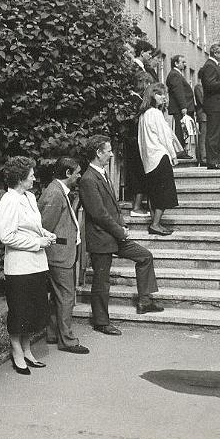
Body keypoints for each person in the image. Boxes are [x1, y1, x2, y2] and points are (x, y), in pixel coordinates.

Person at [79, 136, 163, 336]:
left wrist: (122, 226)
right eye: (108, 151)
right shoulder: (88, 179)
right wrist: (120, 230)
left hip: (115, 235)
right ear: (98, 153)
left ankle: (144, 301)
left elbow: (112, 208)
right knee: (101, 281)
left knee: (144, 256)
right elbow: (98, 214)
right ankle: (101, 322)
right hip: (102, 238)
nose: (111, 153)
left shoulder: (102, 174)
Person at [0, 156, 57, 373]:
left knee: (33, 311)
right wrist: (36, 243)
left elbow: (34, 225)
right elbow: (6, 235)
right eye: (30, 174)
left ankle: (27, 348)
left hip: (36, 264)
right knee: (20, 312)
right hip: (19, 267)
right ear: (21, 178)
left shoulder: (30, 197)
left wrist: (45, 234)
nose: (34, 177)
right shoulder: (9, 200)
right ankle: (16, 351)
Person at [38, 157, 90, 355]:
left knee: (58, 297)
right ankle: (67, 340)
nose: (79, 176)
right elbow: (45, 228)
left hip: (61, 253)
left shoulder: (59, 190)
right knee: (67, 296)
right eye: (77, 172)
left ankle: (53, 333)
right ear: (67, 173)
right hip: (58, 255)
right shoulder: (55, 193)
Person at [138, 82, 180, 236]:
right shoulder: (155, 113)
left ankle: (156, 223)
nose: (164, 97)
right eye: (160, 94)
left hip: (149, 159)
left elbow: (141, 141)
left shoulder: (143, 115)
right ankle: (155, 224)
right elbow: (164, 136)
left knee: (154, 192)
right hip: (160, 156)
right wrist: (173, 154)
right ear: (152, 96)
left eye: (164, 94)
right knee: (164, 193)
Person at [128, 39, 157, 217]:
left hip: (137, 138)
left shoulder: (137, 100)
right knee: (139, 171)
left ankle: (138, 205)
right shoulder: (137, 101)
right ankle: (136, 207)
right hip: (136, 139)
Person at [166, 54, 195, 158]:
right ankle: (180, 151)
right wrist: (183, 107)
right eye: (182, 62)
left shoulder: (177, 74)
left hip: (181, 108)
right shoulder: (174, 74)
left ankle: (181, 151)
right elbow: (179, 92)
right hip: (180, 108)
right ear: (176, 63)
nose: (185, 64)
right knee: (180, 130)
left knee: (183, 130)